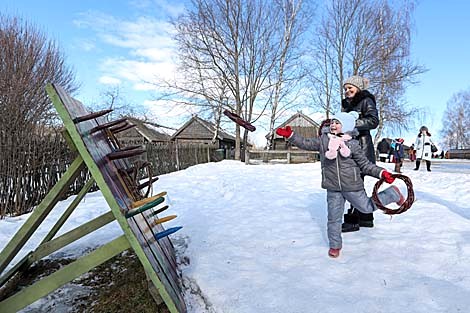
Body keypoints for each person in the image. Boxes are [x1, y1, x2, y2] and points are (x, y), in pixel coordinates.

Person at [276, 111, 405, 258]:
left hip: (352, 186)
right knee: (334, 218)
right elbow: (306, 143)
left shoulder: (353, 145)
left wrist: (382, 173)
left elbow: (365, 165)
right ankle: (335, 245)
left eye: (337, 123)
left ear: (346, 126)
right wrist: (291, 136)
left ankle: (392, 194)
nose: (333, 125)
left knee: (366, 207)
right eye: (332, 122)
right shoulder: (323, 141)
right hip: (332, 187)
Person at [341, 75, 380, 232]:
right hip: (350, 147)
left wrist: (351, 123)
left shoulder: (365, 101)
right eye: (345, 89)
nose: (347, 91)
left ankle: (353, 220)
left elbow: (373, 121)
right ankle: (365, 217)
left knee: (354, 184)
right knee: (356, 183)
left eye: (350, 88)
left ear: (358, 88)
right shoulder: (348, 105)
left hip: (361, 148)